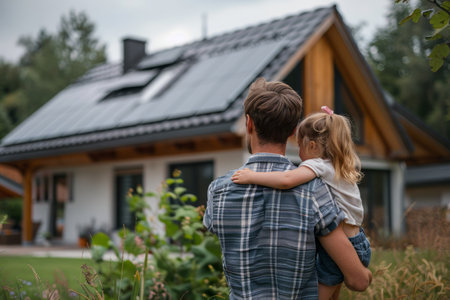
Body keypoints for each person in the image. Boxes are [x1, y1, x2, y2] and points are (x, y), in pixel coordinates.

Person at [203, 78, 372, 299]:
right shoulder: (316, 190)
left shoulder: (219, 191)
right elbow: (357, 279)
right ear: (293, 131)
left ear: (249, 124)